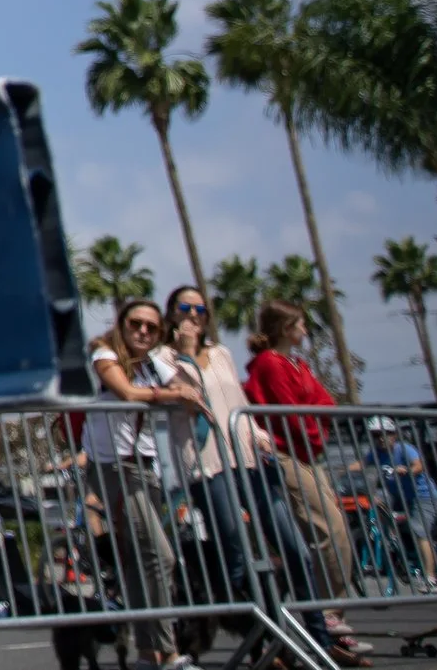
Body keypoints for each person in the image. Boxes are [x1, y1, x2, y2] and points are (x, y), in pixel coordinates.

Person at [160, 287, 341, 656]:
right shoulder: (163, 357)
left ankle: (318, 641)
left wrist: (258, 434)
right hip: (208, 466)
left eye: (201, 309)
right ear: (171, 314)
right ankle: (270, 641)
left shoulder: (222, 353)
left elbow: (237, 403)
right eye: (185, 308)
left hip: (248, 460)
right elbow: (190, 396)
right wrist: (188, 352)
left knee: (296, 551)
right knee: (237, 560)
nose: (194, 314)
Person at [242, 300, 362, 660]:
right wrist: (312, 436)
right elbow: (290, 413)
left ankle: (330, 614)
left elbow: (324, 402)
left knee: (337, 528)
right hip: (285, 453)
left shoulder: (299, 363)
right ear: (283, 327)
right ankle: (325, 612)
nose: (305, 329)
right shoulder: (269, 364)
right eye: (299, 323)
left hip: (308, 454)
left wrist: (314, 434)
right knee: (328, 527)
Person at [84, 297, 197, 670]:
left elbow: (191, 393)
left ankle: (148, 655)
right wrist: (171, 395)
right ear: (121, 324)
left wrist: (180, 355)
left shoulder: (154, 362)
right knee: (161, 555)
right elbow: (127, 394)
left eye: (151, 326)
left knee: (138, 561)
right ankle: (169, 653)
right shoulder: (104, 354)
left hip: (145, 467)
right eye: (136, 324)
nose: (143, 332)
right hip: (114, 467)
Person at [357, 417, 437, 589]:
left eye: (386, 434)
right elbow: (360, 465)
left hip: (423, 496)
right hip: (399, 498)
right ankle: (397, 552)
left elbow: (419, 465)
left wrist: (407, 470)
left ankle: (431, 578)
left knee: (419, 531)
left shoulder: (404, 449)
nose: (381, 438)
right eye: (376, 435)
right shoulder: (375, 453)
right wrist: (338, 471)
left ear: (393, 435)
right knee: (378, 512)